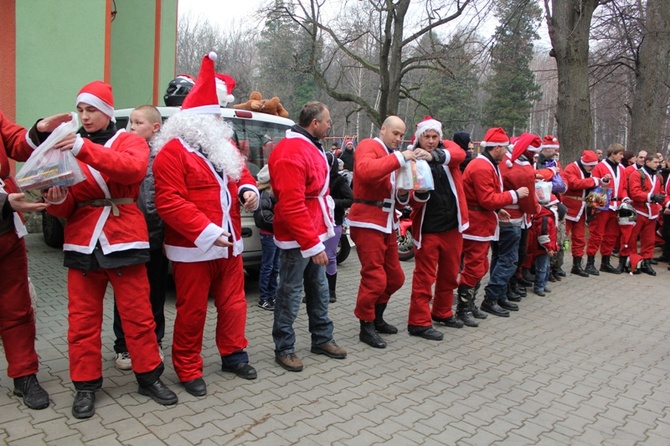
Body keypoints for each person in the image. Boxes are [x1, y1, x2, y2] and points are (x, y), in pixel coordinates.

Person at [41, 81, 177, 418]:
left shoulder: (129, 140)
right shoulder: (70, 147)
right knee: (82, 320)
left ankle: (148, 377)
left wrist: (81, 149)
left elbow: (130, 169)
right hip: (82, 240)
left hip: (124, 235)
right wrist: (55, 200)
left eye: (91, 110)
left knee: (138, 316)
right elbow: (67, 205)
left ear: (106, 111)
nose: (84, 117)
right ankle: (85, 385)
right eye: (81, 110)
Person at [153, 52, 259, 397]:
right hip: (194, 248)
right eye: (213, 116)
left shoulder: (222, 146)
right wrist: (210, 233)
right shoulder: (172, 153)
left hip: (230, 244)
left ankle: (234, 353)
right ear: (196, 120)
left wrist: (248, 190)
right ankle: (186, 366)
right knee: (193, 310)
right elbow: (170, 202)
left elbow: (241, 174)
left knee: (234, 303)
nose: (219, 122)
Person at [269, 101, 347, 372]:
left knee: (319, 287)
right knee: (290, 292)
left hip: (314, 228)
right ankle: (285, 346)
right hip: (298, 236)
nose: (329, 125)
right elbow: (291, 204)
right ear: (314, 123)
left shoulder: (310, 144)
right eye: (327, 121)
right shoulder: (291, 152)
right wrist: (312, 244)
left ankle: (322, 337)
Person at [0, 109, 68, 410]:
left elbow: (15, 142)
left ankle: (24, 374)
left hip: (6, 231)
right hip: (4, 206)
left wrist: (39, 130)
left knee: (17, 307)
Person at [348, 116, 416, 348]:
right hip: (367, 221)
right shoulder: (370, 145)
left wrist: (405, 192)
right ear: (383, 129)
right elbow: (366, 171)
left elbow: (395, 195)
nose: (399, 139)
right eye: (395, 133)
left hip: (387, 222)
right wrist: (399, 158)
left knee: (395, 277)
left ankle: (376, 316)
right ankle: (365, 324)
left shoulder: (390, 155)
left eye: (402, 135)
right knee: (375, 278)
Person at [112, 105, 167, 371]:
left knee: (154, 293)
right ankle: (123, 345)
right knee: (125, 295)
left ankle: (154, 341)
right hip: (126, 236)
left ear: (155, 128)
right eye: (130, 122)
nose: (132, 127)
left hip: (155, 237)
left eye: (138, 123)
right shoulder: (120, 151)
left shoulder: (164, 155)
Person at [406, 117, 469, 340]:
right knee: (425, 277)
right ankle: (419, 322)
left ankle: (442, 311)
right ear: (419, 137)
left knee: (450, 274)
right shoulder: (411, 159)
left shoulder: (447, 150)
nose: (431, 141)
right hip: (429, 228)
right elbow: (410, 201)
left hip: (453, 225)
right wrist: (420, 193)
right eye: (427, 137)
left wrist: (433, 156)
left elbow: (461, 154)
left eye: (434, 137)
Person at [460, 127, 529, 318]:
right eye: (505, 148)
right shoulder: (482, 166)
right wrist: (515, 195)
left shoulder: (488, 164)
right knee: (474, 267)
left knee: (479, 266)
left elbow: (486, 198)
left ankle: (469, 304)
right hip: (476, 225)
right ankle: (463, 308)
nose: (507, 152)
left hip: (482, 222)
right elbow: (487, 199)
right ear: (497, 147)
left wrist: (498, 210)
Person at [480, 131, 536, 316]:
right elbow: (528, 201)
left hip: (501, 216)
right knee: (508, 259)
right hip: (511, 219)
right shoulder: (521, 169)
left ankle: (500, 294)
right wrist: (534, 207)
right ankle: (492, 297)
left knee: (499, 256)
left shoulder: (500, 164)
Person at [585, 143, 628, 275]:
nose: (622, 156)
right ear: (612, 154)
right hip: (602, 205)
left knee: (611, 236)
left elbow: (624, 188)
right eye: (620, 154)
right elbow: (593, 186)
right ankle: (590, 263)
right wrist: (594, 208)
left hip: (616, 206)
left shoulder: (622, 168)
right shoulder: (599, 167)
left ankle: (605, 262)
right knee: (596, 234)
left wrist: (625, 199)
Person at [621, 153, 667, 275]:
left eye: (658, 163)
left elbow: (662, 194)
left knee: (649, 240)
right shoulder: (637, 174)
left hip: (652, 213)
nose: (658, 164)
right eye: (655, 162)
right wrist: (651, 196)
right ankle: (631, 261)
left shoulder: (658, 177)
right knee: (631, 238)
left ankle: (646, 262)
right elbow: (635, 192)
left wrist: (667, 204)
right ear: (647, 162)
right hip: (639, 211)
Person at [562, 150, 605, 277]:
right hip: (569, 207)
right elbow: (574, 184)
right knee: (562, 237)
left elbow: (598, 185)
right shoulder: (571, 168)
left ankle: (577, 265)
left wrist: (603, 182)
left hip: (582, 208)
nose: (592, 168)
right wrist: (595, 181)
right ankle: (555, 266)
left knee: (580, 238)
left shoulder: (592, 170)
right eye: (591, 166)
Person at [324, 151, 353, 303]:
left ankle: (331, 290)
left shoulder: (339, 181)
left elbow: (350, 199)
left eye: (327, 164)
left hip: (334, 222)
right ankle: (313, 290)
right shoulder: (316, 178)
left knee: (330, 256)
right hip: (317, 223)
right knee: (314, 257)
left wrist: (332, 202)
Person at [254, 165, 279, 310]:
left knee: (275, 266)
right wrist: (281, 223)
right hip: (269, 235)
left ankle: (273, 294)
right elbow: (264, 217)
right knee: (268, 266)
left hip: (276, 235)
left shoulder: (273, 193)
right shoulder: (265, 194)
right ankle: (264, 297)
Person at [530, 195, 559, 296]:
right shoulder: (545, 219)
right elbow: (543, 234)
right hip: (542, 248)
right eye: (555, 205)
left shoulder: (549, 218)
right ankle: (539, 286)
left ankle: (543, 284)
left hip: (546, 247)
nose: (557, 207)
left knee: (546, 267)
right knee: (541, 268)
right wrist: (549, 247)